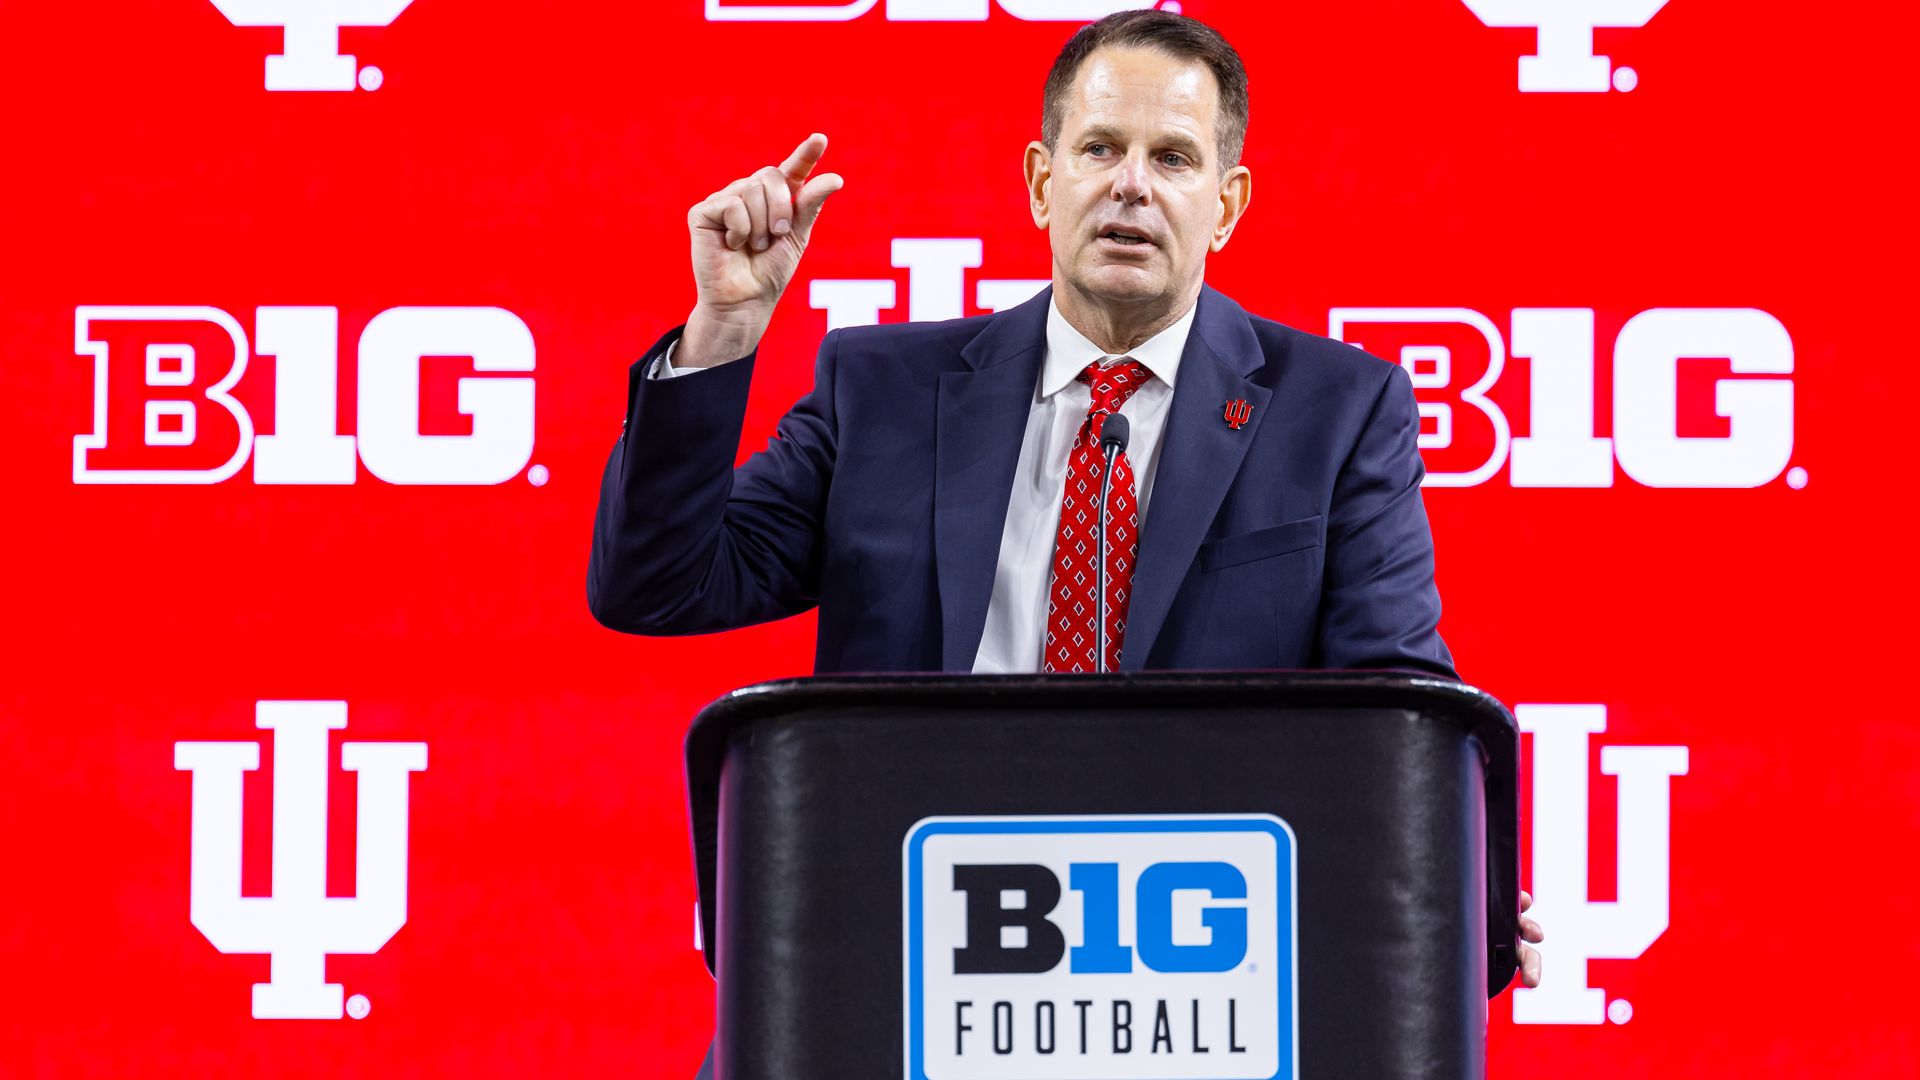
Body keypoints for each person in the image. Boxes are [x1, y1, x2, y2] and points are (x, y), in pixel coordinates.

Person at [588, 11, 1542, 1074]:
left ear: (1226, 205)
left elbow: (1394, 703)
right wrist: (722, 332)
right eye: (1100, 149)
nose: (1131, 185)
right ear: (1043, 182)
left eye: (1173, 157)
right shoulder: (882, 393)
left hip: (1194, 989)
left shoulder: (1338, 410)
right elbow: (657, 585)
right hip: (899, 966)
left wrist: (1456, 869)